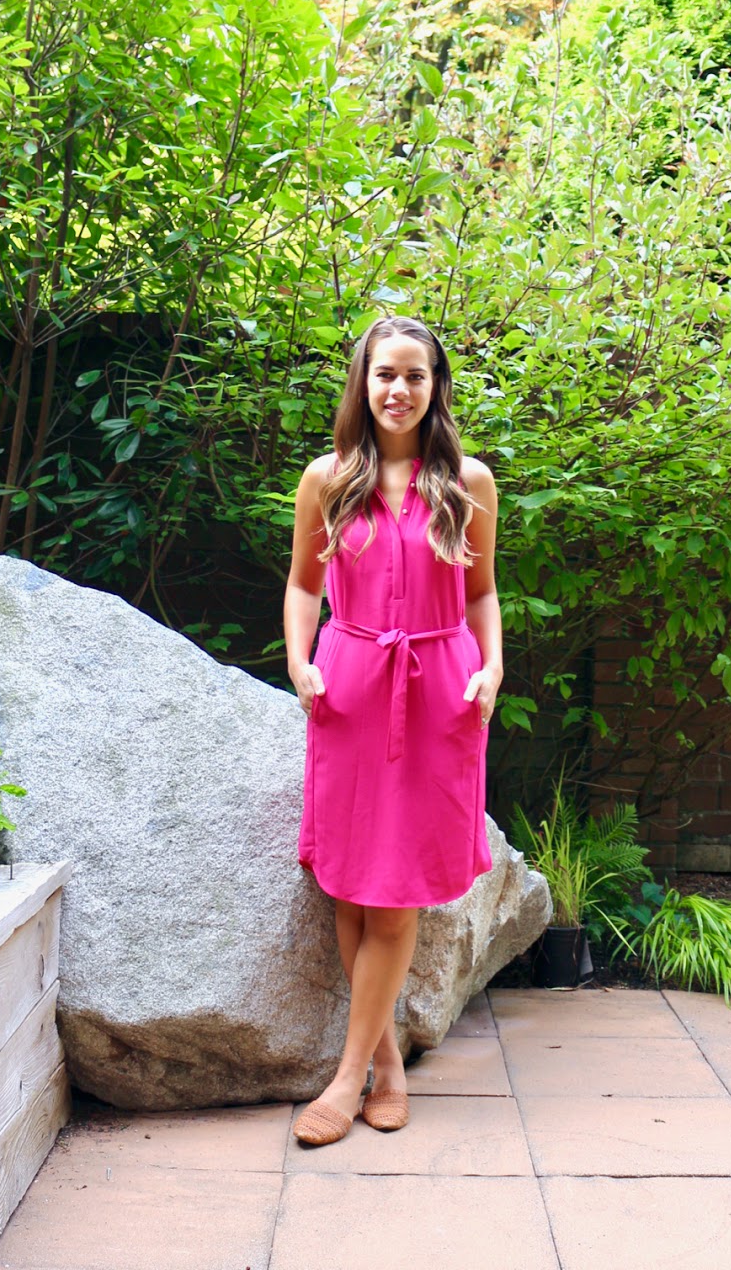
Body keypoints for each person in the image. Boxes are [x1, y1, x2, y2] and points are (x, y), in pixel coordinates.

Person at [283, 313, 502, 1147]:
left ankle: (346, 1081)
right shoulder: (328, 478)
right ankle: (388, 1064)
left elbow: (482, 593)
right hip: (350, 687)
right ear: (363, 383)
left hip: (440, 692)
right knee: (350, 884)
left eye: (415, 374)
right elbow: (304, 585)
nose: (399, 389)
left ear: (435, 386)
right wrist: (299, 660)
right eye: (385, 374)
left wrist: (492, 668)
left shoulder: (467, 482)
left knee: (396, 890)